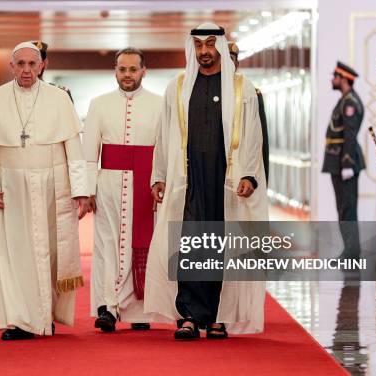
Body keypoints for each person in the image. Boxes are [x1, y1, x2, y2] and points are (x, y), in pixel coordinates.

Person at [144, 23, 268, 340]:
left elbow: (254, 137)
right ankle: (188, 315)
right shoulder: (178, 86)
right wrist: (158, 175)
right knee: (189, 244)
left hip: (226, 179)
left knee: (221, 246)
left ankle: (217, 317)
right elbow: (163, 134)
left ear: (221, 48)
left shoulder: (242, 87)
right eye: (198, 46)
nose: (204, 52)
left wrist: (250, 175)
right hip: (188, 178)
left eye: (210, 45)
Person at [0, 41, 90, 340]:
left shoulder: (59, 99)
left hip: (54, 185)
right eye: (20, 64)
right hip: (12, 188)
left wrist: (80, 191)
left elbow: (74, 151)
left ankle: (45, 315)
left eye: (32, 64)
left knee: (50, 253)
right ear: (12, 67)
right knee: (15, 256)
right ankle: (20, 320)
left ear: (42, 66)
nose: (26, 70)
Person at [82, 48, 162, 332]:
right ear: (115, 71)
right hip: (109, 185)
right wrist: (86, 190)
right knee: (108, 245)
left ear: (143, 71)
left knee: (143, 245)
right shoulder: (99, 104)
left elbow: (164, 150)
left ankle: (137, 311)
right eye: (121, 69)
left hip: (146, 185)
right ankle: (108, 307)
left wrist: (160, 181)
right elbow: (89, 154)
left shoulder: (160, 104)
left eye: (132, 69)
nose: (127, 75)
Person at [321, 61, 365, 259]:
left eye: (335, 76)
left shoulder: (350, 103)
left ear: (344, 79)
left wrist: (347, 163)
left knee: (347, 207)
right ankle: (349, 250)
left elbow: (350, 134)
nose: (332, 79)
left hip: (343, 162)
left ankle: (352, 252)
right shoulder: (345, 100)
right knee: (343, 207)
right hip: (336, 161)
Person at [228, 41, 270, 182]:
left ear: (237, 64)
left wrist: (261, 179)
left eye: (231, 60)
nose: (228, 64)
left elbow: (261, 141)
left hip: (243, 168)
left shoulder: (250, 93)